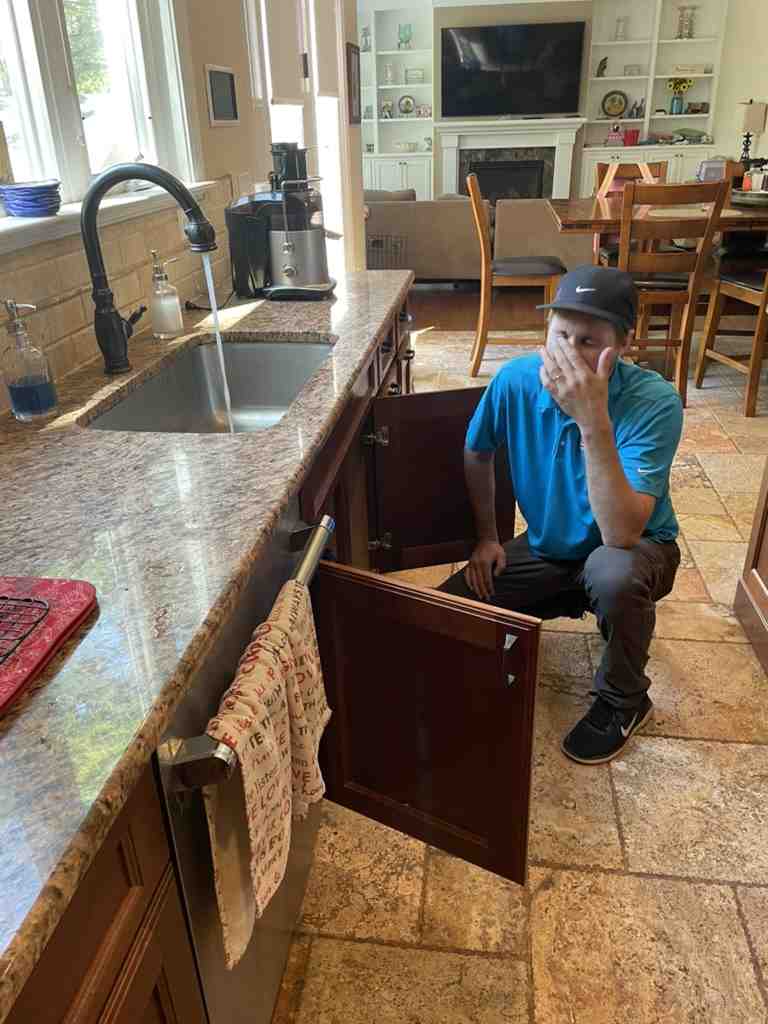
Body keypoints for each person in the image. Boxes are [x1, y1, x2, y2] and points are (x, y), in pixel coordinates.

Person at [440, 267, 683, 765]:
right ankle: (569, 596)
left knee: (610, 573)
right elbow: (477, 450)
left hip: (635, 548)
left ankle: (624, 700)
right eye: (560, 336)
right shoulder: (514, 381)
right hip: (550, 547)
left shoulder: (655, 401)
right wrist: (488, 537)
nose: (569, 355)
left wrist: (592, 418)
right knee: (450, 612)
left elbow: (621, 532)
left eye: (588, 341)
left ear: (623, 345)